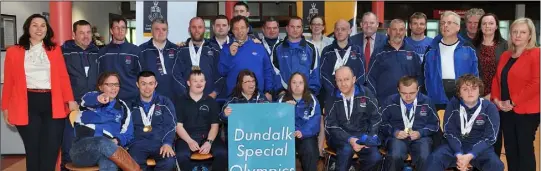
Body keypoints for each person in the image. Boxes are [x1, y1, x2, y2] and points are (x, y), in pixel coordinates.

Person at [1, 14, 78, 171]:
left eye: (43, 25)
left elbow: (63, 77)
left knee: (51, 150)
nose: (39, 29)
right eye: (35, 25)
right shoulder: (14, 52)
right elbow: (8, 82)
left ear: (47, 29)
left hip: (52, 103)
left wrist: (70, 100)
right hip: (26, 104)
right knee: (33, 149)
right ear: (27, 28)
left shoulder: (54, 50)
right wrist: (5, 108)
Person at [424, 74, 503, 171]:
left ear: (479, 91)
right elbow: (449, 132)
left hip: (479, 147)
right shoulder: (453, 104)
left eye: (474, 88)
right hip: (454, 146)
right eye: (465, 89)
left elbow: (490, 137)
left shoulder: (489, 108)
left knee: (496, 165)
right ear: (459, 93)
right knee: (434, 159)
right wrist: (459, 154)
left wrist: (470, 155)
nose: (470, 92)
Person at [491, 17, 539, 171]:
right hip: (505, 110)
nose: (518, 35)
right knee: (511, 149)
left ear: (530, 35)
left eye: (523, 32)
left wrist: (512, 102)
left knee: (524, 150)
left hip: (526, 111)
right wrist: (497, 100)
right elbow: (497, 79)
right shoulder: (506, 55)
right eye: (515, 32)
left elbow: (537, 83)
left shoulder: (536, 54)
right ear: (510, 34)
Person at [70, 72, 140, 171]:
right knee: (102, 141)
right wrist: (98, 99)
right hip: (82, 150)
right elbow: (87, 100)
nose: (113, 88)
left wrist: (117, 140)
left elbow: (128, 134)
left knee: (110, 164)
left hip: (107, 151)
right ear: (101, 87)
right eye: (109, 85)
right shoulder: (89, 98)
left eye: (116, 85)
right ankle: (135, 169)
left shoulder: (123, 107)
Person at [60, 19, 101, 171]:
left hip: (94, 107)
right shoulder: (63, 52)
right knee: (69, 147)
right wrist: (69, 100)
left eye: (88, 32)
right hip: (71, 107)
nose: (85, 36)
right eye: (81, 33)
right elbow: (59, 80)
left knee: (92, 148)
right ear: (74, 34)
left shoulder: (97, 52)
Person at [325, 66, 381, 171]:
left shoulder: (366, 93)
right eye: (339, 80)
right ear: (335, 81)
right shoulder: (332, 97)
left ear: (354, 79)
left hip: (362, 135)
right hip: (340, 137)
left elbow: (376, 117)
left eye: (346, 79)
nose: (343, 83)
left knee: (375, 158)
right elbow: (331, 125)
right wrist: (350, 139)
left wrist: (369, 138)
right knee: (346, 150)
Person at [380, 76, 438, 171]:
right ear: (398, 90)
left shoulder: (427, 102)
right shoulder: (389, 101)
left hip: (420, 138)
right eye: (404, 93)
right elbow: (381, 123)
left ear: (418, 89)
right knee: (395, 155)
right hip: (397, 137)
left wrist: (421, 133)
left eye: (412, 93)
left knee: (424, 157)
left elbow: (435, 125)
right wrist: (394, 132)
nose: (408, 97)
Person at [424, 11, 479, 110]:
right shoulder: (431, 49)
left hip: (463, 97)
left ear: (458, 27)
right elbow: (424, 75)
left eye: (449, 23)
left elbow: (476, 75)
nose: (445, 25)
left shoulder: (468, 48)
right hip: (436, 98)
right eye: (442, 23)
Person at [471, 13, 508, 157]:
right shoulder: (472, 45)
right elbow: (469, 71)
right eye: (484, 23)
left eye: (491, 23)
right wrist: (478, 95)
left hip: (497, 96)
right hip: (475, 96)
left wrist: (493, 94)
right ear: (480, 26)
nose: (487, 26)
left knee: (494, 134)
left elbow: (506, 74)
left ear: (496, 26)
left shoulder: (505, 46)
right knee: (476, 134)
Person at [175, 69, 228, 171]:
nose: (199, 83)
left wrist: (209, 142)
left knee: (222, 153)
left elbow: (215, 126)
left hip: (208, 137)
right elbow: (178, 126)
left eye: (201, 80)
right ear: (188, 83)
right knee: (181, 155)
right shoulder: (180, 101)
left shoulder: (211, 101)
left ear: (205, 82)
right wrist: (189, 141)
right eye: (195, 81)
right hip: (186, 137)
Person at [128, 71, 176, 170]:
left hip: (160, 143)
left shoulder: (165, 102)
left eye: (151, 83)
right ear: (137, 84)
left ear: (156, 84)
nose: (147, 88)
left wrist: (167, 143)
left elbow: (171, 124)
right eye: (143, 83)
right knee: (133, 163)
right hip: (137, 144)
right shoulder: (130, 105)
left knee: (169, 161)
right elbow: (125, 127)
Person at [367, 19, 423, 103]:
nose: (398, 33)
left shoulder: (412, 52)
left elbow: (420, 77)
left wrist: (415, 96)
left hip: (408, 102)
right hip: (384, 103)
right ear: (389, 31)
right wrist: (374, 99)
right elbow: (370, 78)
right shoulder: (379, 53)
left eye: (401, 30)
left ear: (405, 32)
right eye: (394, 29)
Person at [219, 16, 274, 101]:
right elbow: (222, 72)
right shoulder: (226, 48)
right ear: (232, 31)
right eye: (236, 28)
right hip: (234, 98)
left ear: (248, 29)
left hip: (258, 98)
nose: (239, 31)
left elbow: (267, 70)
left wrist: (268, 91)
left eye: (242, 28)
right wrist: (230, 55)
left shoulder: (259, 47)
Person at [277, 72, 321, 171]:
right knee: (280, 149)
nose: (297, 85)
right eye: (294, 82)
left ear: (305, 84)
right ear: (289, 84)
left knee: (310, 149)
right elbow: (276, 120)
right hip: (286, 135)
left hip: (306, 135)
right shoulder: (282, 100)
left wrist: (302, 132)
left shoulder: (312, 99)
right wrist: (285, 109)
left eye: (300, 83)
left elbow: (315, 121)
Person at [174, 17, 222, 99]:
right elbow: (176, 74)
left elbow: (220, 73)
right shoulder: (181, 50)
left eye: (200, 27)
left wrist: (214, 93)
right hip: (187, 99)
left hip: (209, 98)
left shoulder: (214, 49)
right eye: (194, 27)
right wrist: (185, 94)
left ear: (204, 29)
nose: (197, 30)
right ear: (189, 29)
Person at [272, 16, 320, 96]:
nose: (295, 30)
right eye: (292, 27)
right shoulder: (277, 48)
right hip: (284, 94)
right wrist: (280, 91)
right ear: (287, 28)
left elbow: (315, 72)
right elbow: (274, 71)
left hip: (306, 95)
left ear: (302, 29)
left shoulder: (311, 48)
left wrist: (310, 92)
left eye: (298, 27)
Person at [97, 15, 141, 100]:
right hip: (110, 98)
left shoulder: (135, 51)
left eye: (123, 28)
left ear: (126, 30)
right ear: (111, 30)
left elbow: (141, 76)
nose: (120, 31)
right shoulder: (102, 53)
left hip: (132, 98)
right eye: (116, 28)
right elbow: (99, 78)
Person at [320, 19, 366, 99]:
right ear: (334, 31)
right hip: (332, 96)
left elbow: (362, 73)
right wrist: (334, 91)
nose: (339, 32)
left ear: (349, 31)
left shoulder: (357, 51)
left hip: (353, 96)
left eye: (343, 29)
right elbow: (323, 74)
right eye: (337, 29)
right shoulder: (327, 51)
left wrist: (353, 90)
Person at [221, 70, 271, 142]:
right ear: (240, 84)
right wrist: (225, 114)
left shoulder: (261, 98)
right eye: (247, 82)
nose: (251, 84)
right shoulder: (233, 99)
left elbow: (272, 114)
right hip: (238, 138)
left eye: (253, 81)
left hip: (258, 137)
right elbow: (221, 118)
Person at [139, 19, 181, 102]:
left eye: (164, 29)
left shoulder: (177, 50)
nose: (161, 32)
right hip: (150, 97)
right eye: (157, 29)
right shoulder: (142, 50)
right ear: (151, 31)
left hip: (174, 98)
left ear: (167, 31)